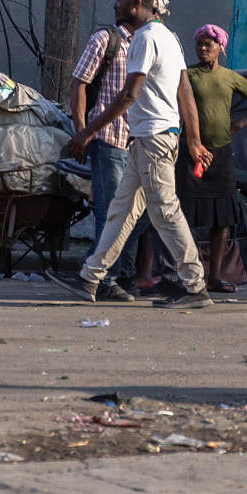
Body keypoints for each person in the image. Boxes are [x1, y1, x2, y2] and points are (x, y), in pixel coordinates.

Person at [61, 0, 211, 309]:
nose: (115, 4)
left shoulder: (144, 38)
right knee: (121, 211)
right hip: (149, 139)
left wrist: (87, 131)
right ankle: (90, 277)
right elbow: (185, 91)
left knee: (165, 211)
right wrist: (193, 140)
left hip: (153, 139)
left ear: (137, 4)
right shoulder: (170, 38)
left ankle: (194, 286)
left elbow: (129, 94)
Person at [179, 24, 247, 293]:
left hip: (220, 155)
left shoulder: (230, 77)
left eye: (208, 44)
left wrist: (239, 124)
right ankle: (188, 275)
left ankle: (214, 277)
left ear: (220, 47)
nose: (202, 48)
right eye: (199, 44)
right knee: (184, 215)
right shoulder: (187, 75)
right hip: (191, 153)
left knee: (222, 218)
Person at [69, 16, 138, 297]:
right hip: (109, 139)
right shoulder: (106, 40)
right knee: (110, 213)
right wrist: (81, 132)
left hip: (138, 142)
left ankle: (116, 272)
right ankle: (105, 279)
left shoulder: (148, 44)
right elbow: (79, 84)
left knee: (139, 214)